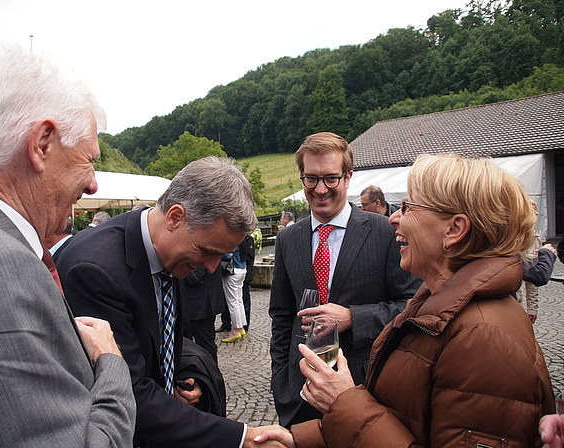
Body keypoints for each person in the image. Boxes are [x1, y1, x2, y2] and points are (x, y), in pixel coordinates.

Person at [258, 153, 555, 447]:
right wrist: (300, 438)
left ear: (454, 230)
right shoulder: (435, 303)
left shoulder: (484, 337)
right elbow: (402, 418)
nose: (394, 218)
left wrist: (345, 402)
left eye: (409, 207)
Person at [0, 47, 136, 447]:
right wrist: (111, 363)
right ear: (42, 144)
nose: (93, 184)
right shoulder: (0, 270)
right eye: (89, 160)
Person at [56, 156, 285, 448]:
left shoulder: (168, 250)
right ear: (175, 217)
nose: (213, 267)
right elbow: (127, 390)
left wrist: (180, 377)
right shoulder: (95, 270)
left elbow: (156, 340)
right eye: (208, 251)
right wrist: (244, 438)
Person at [269, 132, 421, 428]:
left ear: (348, 177)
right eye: (311, 179)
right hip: (300, 395)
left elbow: (411, 306)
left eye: (330, 178)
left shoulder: (384, 233)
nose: (320, 189)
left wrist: (353, 317)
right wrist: (281, 383)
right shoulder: (288, 239)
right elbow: (282, 316)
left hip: (365, 389)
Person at [180, 266, 226, 362]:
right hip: (200, 302)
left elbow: (195, 277)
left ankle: (211, 373)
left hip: (200, 304)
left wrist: (178, 269)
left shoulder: (202, 253)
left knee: (205, 343)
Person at [221, 246, 248, 342]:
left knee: (232, 302)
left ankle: (236, 329)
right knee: (238, 300)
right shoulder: (242, 236)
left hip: (233, 270)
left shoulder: (232, 236)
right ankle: (241, 327)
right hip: (242, 268)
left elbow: (228, 254)